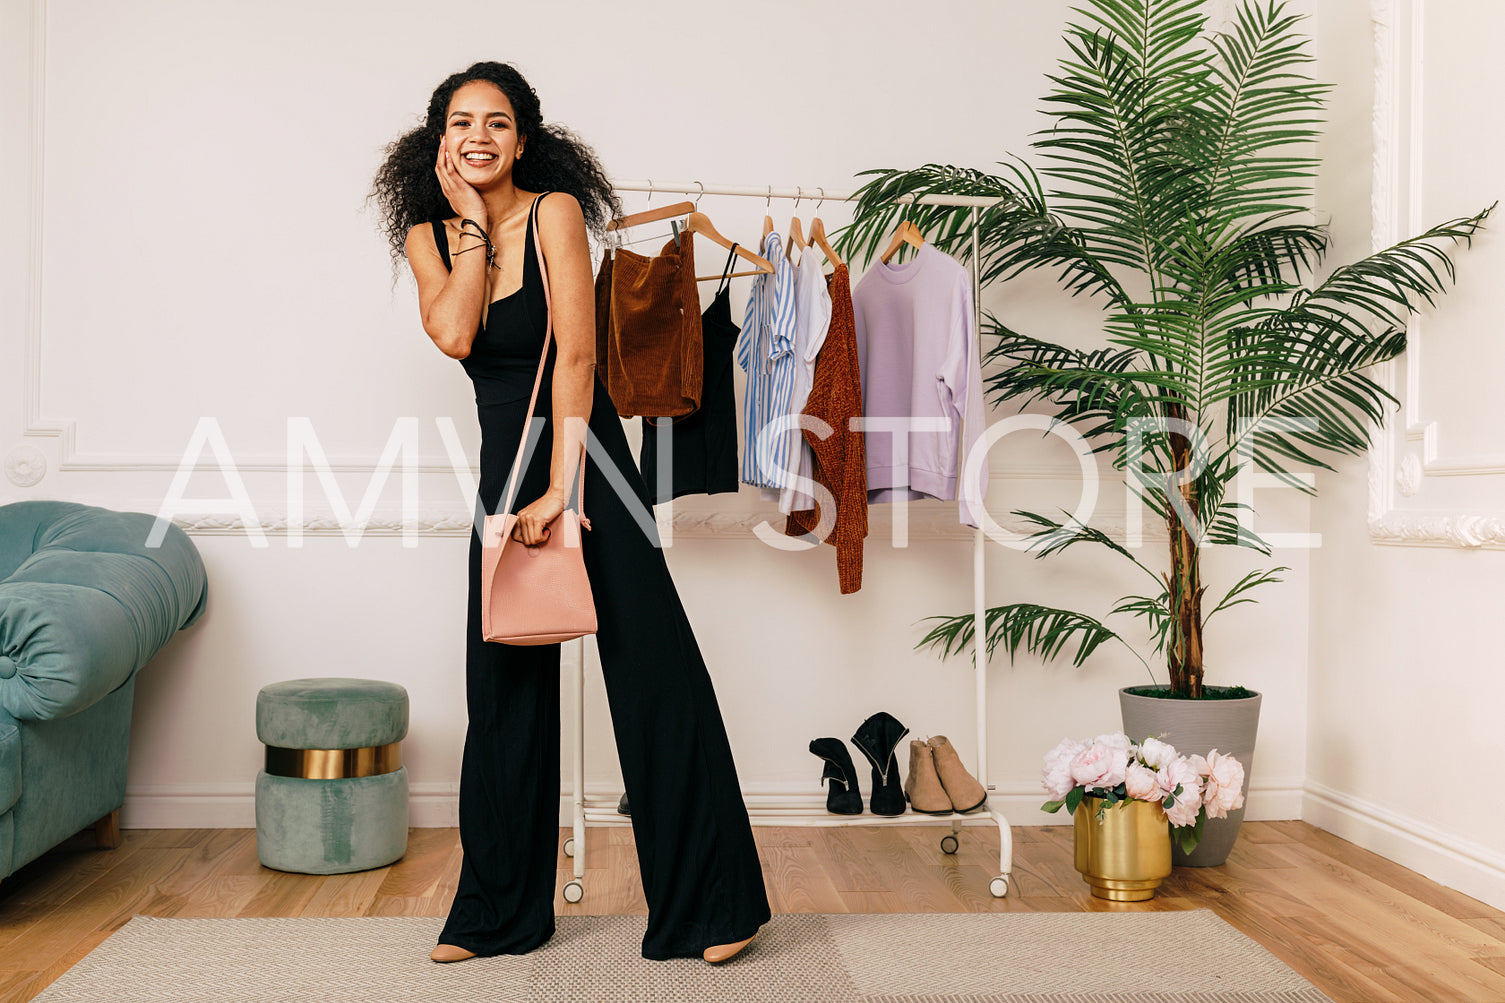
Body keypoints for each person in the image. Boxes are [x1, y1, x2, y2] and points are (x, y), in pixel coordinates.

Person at [369, 61, 771, 965]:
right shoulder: (428, 236)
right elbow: (458, 334)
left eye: (499, 123)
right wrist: (471, 224)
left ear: (525, 138)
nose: (481, 136)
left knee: (651, 670)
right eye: (463, 121)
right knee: (501, 686)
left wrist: (562, 489)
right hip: (502, 473)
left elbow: (578, 359)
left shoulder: (554, 211)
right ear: (440, 138)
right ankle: (499, 913)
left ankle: (716, 906)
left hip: (587, 459)